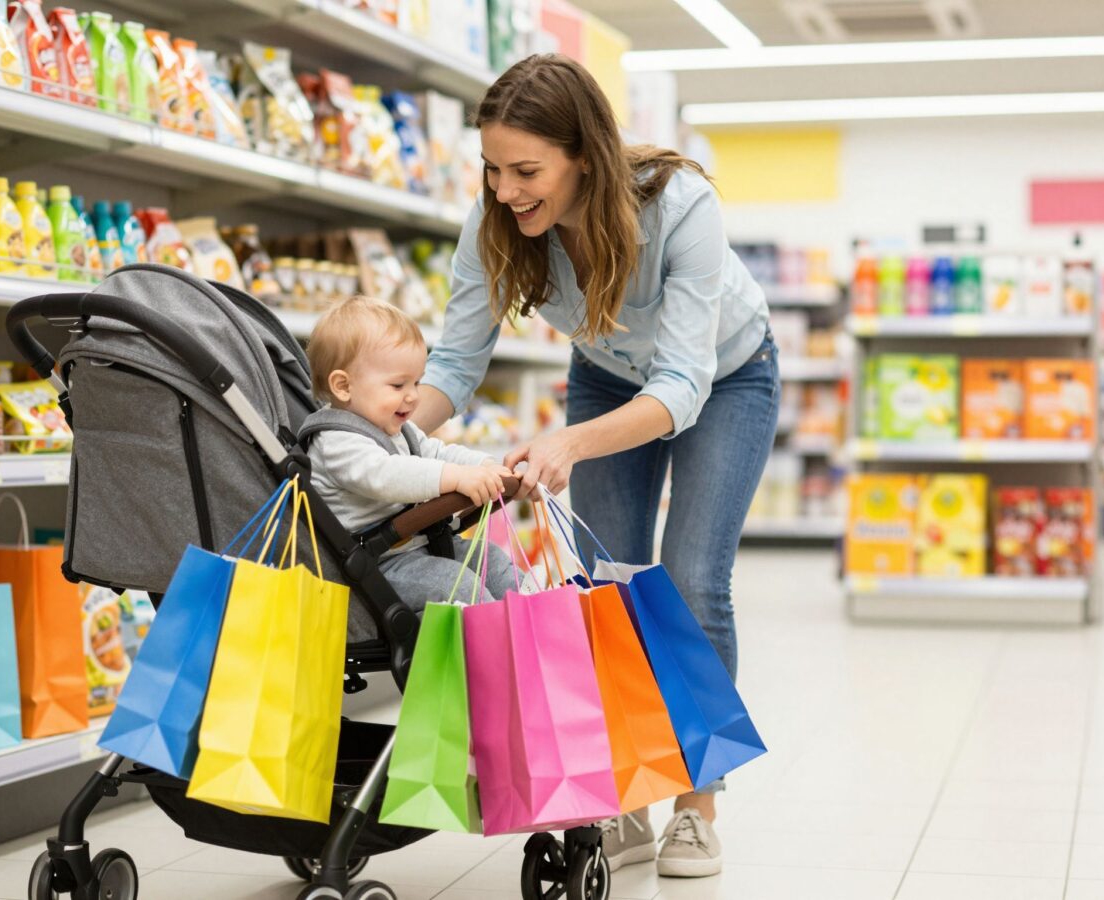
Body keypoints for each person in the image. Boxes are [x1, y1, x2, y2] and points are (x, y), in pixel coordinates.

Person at [412, 54, 778, 878]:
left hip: (726, 380)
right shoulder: (495, 220)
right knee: (605, 589)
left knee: (689, 580)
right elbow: (457, 363)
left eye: (527, 171)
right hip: (608, 376)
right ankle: (624, 796)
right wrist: (376, 432)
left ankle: (696, 803)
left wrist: (570, 444)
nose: (505, 191)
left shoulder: (680, 206)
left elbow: (683, 387)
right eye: (493, 169)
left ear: (585, 154)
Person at [302, 295, 519, 610]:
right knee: (455, 583)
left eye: (417, 382)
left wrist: (487, 466)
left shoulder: (396, 430)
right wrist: (455, 478)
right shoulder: (336, 442)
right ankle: (497, 646)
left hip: (421, 547)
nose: (414, 396)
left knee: (492, 559)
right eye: (398, 385)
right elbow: (386, 476)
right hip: (378, 566)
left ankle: (537, 622)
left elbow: (435, 451)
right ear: (344, 387)